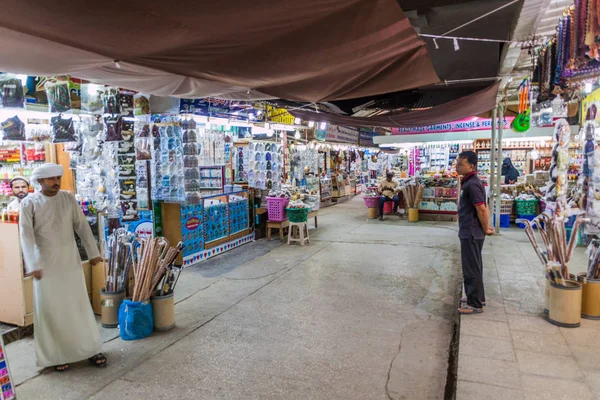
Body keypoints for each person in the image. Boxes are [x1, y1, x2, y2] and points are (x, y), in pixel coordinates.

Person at [19, 163, 107, 372]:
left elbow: (82, 226)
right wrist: (32, 264)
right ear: (40, 181)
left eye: (57, 178)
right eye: (50, 179)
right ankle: (57, 356)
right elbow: (26, 235)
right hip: (45, 267)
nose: (56, 182)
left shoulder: (68, 198)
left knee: (78, 307)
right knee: (52, 311)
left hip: (70, 263)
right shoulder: (29, 203)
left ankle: (90, 349)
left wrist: (93, 253)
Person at [455, 152, 494, 315]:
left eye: (460, 164)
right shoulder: (469, 182)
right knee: (474, 265)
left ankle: (475, 303)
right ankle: (477, 296)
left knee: (471, 267)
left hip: (471, 232)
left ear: (471, 166)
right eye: (457, 163)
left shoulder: (472, 184)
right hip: (469, 230)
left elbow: (482, 208)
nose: (457, 166)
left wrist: (486, 228)